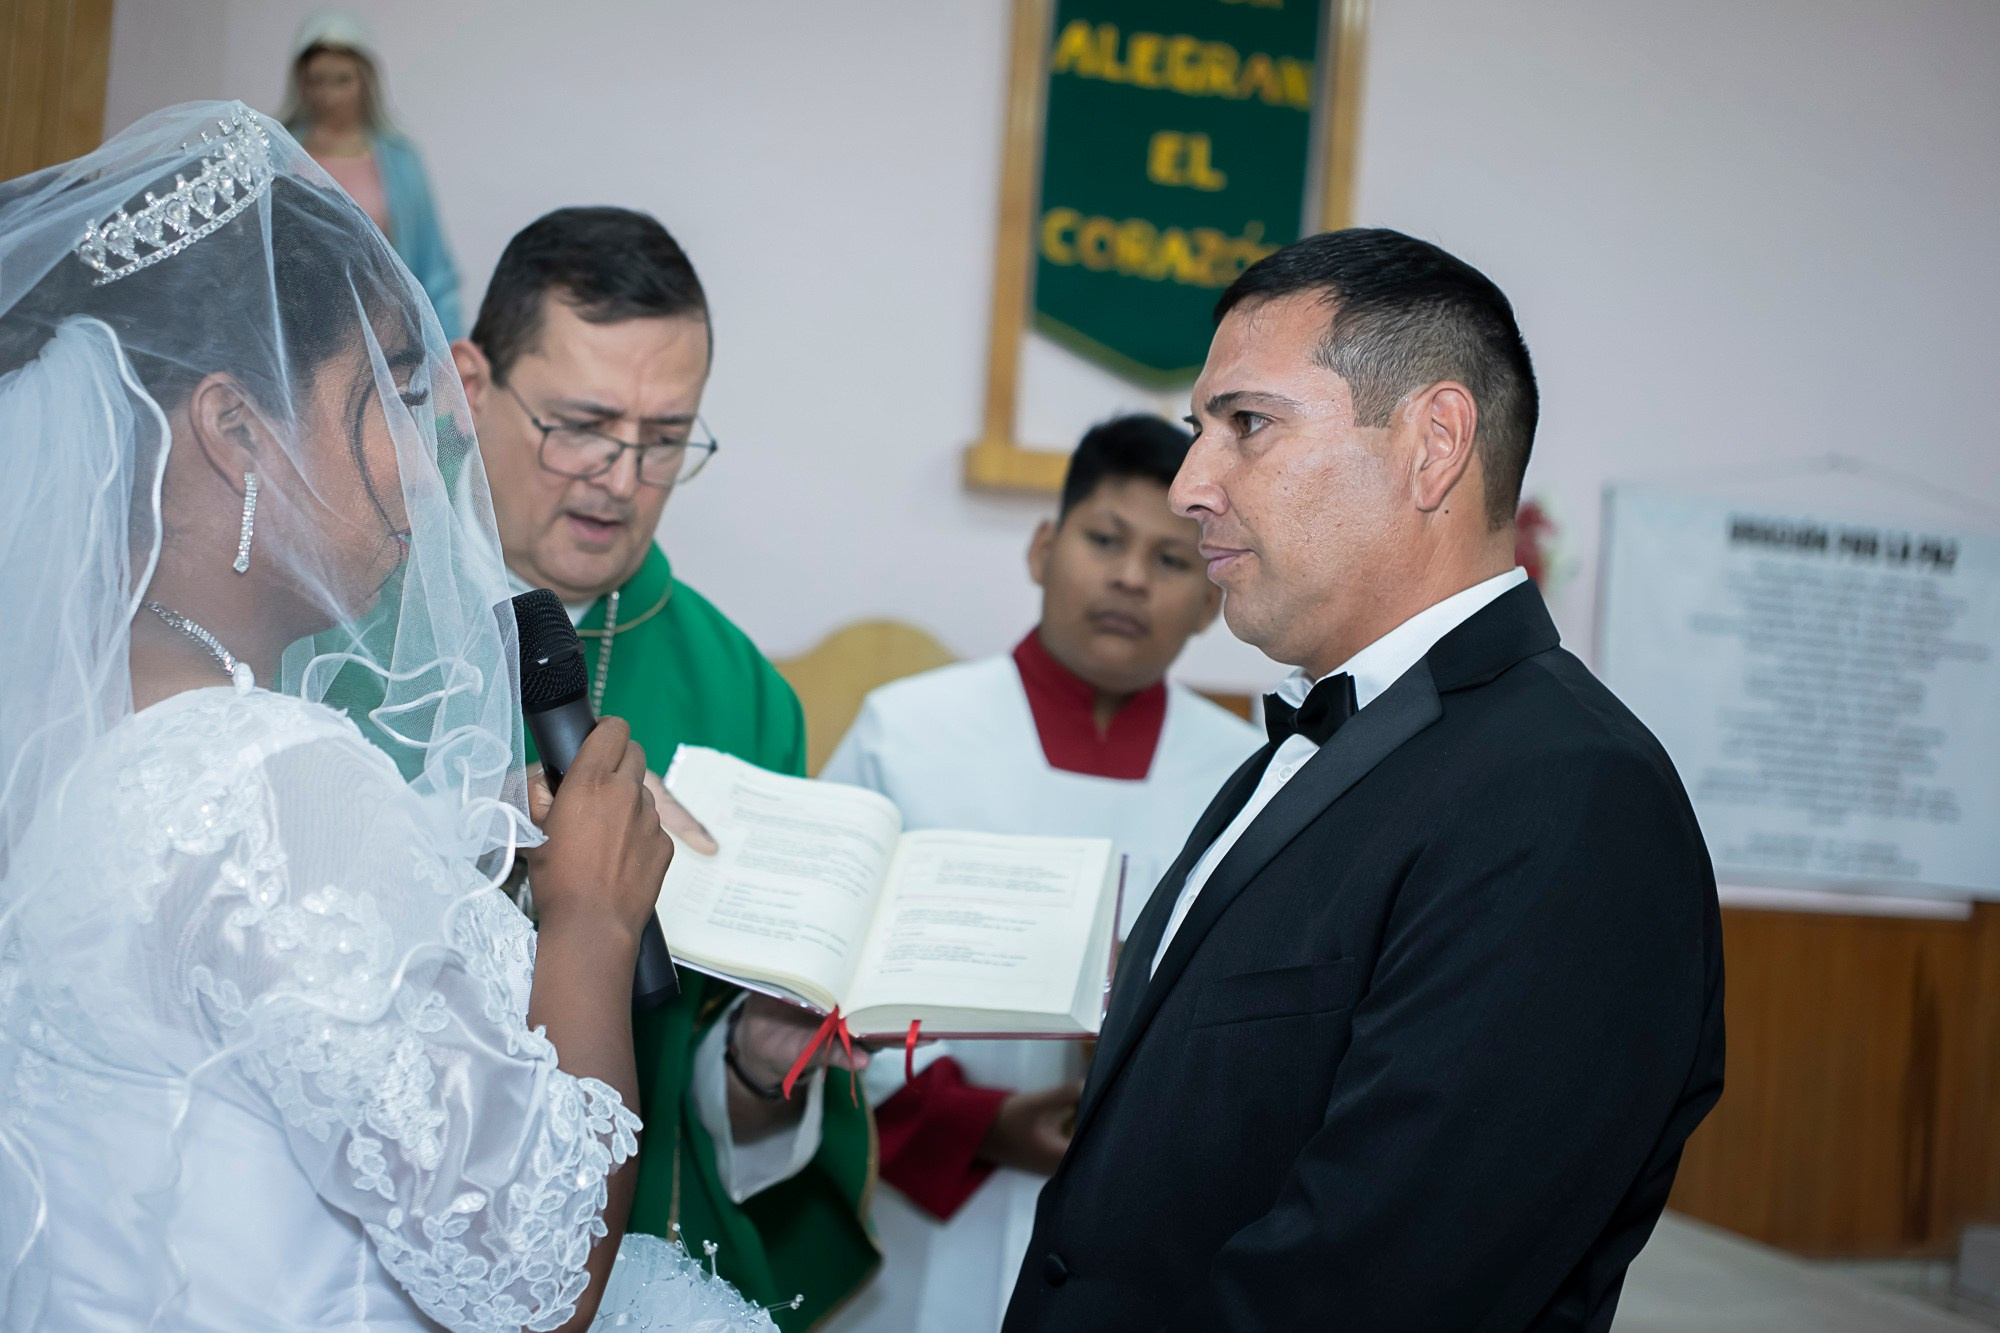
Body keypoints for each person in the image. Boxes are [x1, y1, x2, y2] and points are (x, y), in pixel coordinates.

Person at [0, 102, 774, 1332]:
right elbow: (532, 1273)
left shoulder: (76, 714)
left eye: (664, 439)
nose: (424, 466)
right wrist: (585, 916)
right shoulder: (258, 772)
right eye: (390, 398)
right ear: (234, 429)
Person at [1003, 229, 1726, 1332]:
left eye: (1244, 424)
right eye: (1200, 429)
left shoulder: (1571, 798)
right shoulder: (1318, 744)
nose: (1191, 484)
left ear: (1432, 444)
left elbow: (1378, 1282)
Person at [450, 207, 876, 1327]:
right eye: (581, 425)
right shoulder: (328, 616)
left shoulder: (743, 693)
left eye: (664, 438)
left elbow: (698, 1086)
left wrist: (755, 1064)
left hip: (619, 1255)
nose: (620, 478)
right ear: (468, 383)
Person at [820, 415, 1261, 1332]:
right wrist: (975, 1120)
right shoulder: (906, 730)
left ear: (1212, 595)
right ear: (1042, 547)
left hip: (1145, 1226)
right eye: (1104, 540)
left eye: (1174, 560)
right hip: (921, 1212)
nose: (1132, 578)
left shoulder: (1246, 773)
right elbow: (818, 969)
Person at [282, 12, 463, 336]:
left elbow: (434, 268)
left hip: (383, 334)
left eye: (342, 80)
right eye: (317, 80)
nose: (329, 95)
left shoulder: (400, 159)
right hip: (295, 331)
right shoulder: (277, 151)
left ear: (366, 81)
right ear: (301, 82)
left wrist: (447, 352)